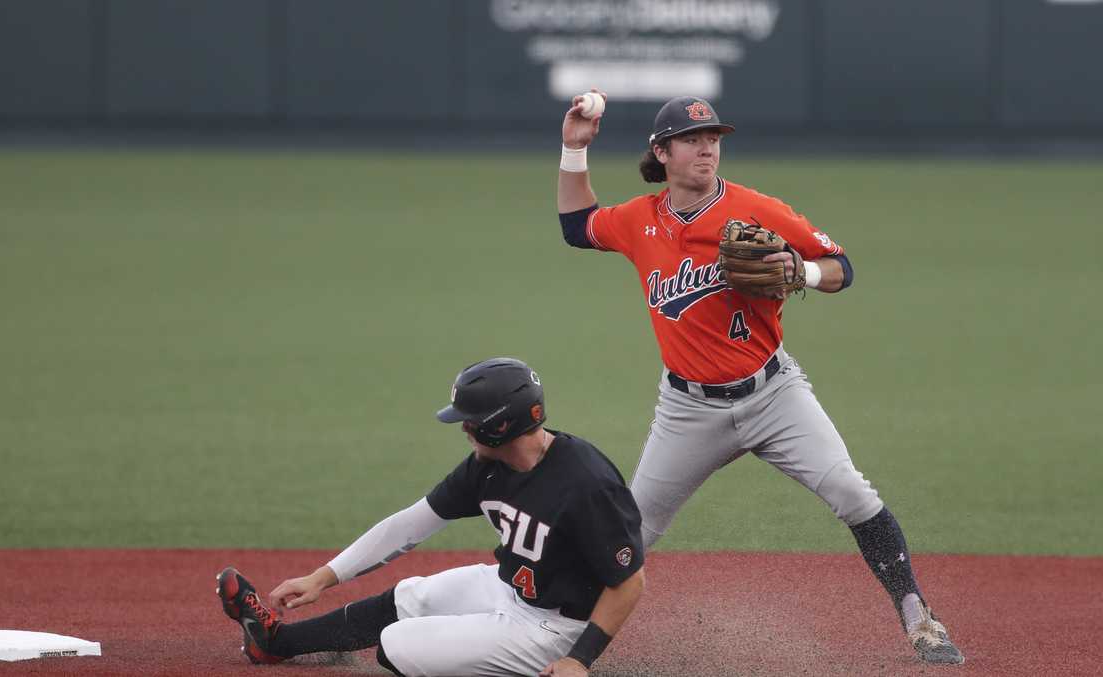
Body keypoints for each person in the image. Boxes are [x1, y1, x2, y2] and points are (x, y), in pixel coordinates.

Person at [554, 93, 964, 665]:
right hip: (688, 410)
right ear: (662, 152)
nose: (707, 148)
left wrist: (805, 270)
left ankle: (919, 615)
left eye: (714, 138)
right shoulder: (638, 221)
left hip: (773, 393)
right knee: (633, 534)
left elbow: (841, 267)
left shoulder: (758, 209)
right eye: (693, 139)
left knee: (850, 491)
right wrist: (574, 148)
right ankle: (552, 634)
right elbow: (577, 227)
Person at [216, 357, 645, 676]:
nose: (462, 428)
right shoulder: (487, 467)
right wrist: (322, 577)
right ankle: (274, 643)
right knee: (409, 597)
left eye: (469, 421)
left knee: (397, 648)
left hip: (556, 628)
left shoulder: (586, 482)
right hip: (511, 591)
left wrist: (578, 659)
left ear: (499, 426)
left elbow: (629, 582)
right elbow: (410, 524)